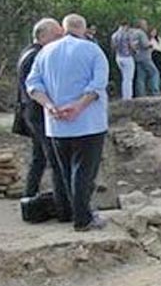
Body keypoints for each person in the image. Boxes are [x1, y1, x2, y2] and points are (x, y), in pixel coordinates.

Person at [26, 13, 110, 232]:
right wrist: (79, 106)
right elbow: (98, 85)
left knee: (65, 172)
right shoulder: (92, 50)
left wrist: (49, 106)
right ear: (82, 29)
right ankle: (83, 219)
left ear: (63, 29)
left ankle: (76, 212)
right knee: (84, 172)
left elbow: (33, 85)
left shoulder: (45, 52)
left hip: (56, 125)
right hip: (89, 123)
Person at [14, 18, 69, 219]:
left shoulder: (29, 52)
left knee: (39, 158)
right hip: (38, 113)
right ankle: (63, 208)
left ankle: (29, 199)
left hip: (33, 112)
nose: (60, 40)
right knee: (54, 160)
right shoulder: (36, 56)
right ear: (43, 35)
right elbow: (36, 88)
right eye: (56, 36)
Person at [132, 19, 160, 97]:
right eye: (145, 24)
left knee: (141, 76)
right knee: (154, 72)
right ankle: (155, 91)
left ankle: (141, 94)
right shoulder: (141, 33)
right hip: (145, 57)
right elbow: (145, 45)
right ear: (141, 25)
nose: (146, 26)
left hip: (137, 57)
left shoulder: (133, 33)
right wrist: (151, 44)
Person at [110, 20, 137, 100]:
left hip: (118, 57)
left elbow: (113, 47)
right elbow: (131, 45)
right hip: (127, 57)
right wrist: (135, 50)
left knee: (124, 77)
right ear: (126, 25)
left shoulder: (114, 35)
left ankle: (125, 95)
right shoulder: (127, 34)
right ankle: (128, 96)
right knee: (128, 78)